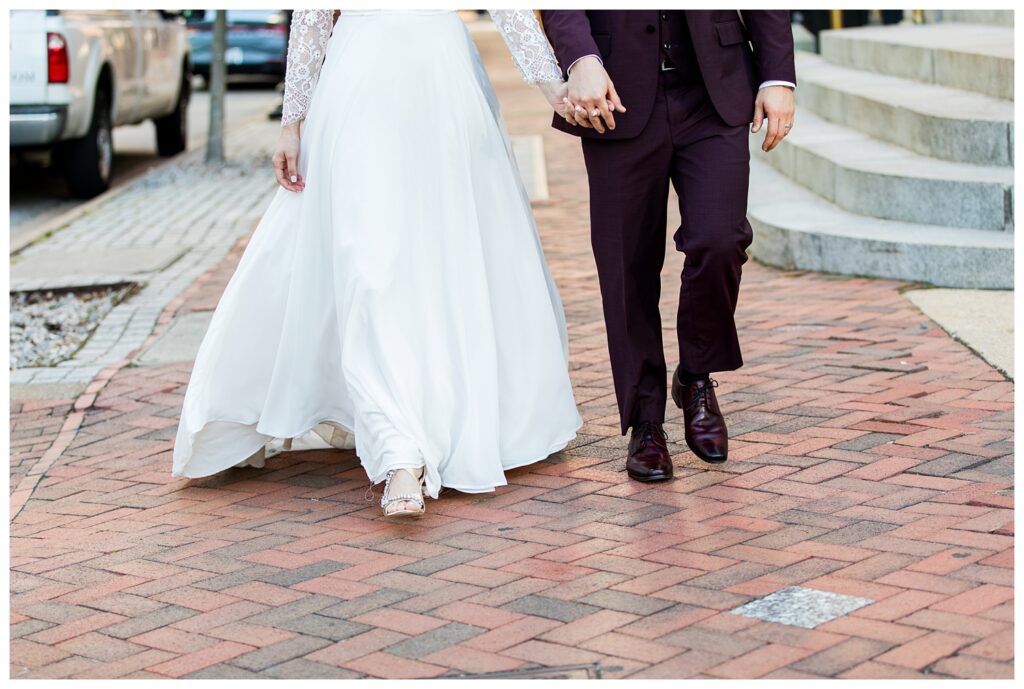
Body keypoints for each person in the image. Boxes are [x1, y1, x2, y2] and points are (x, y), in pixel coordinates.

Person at [172, 10, 583, 520]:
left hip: (441, 85)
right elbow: (311, 16)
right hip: (357, 85)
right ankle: (399, 454)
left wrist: (553, 85)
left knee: (441, 259)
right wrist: (292, 122)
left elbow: (510, 8)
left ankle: (433, 418)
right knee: (367, 266)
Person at [542, 10, 796, 482]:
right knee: (627, 263)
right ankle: (646, 423)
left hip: (713, 86)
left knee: (720, 238)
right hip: (614, 90)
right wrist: (579, 58)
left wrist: (777, 75)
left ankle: (696, 375)